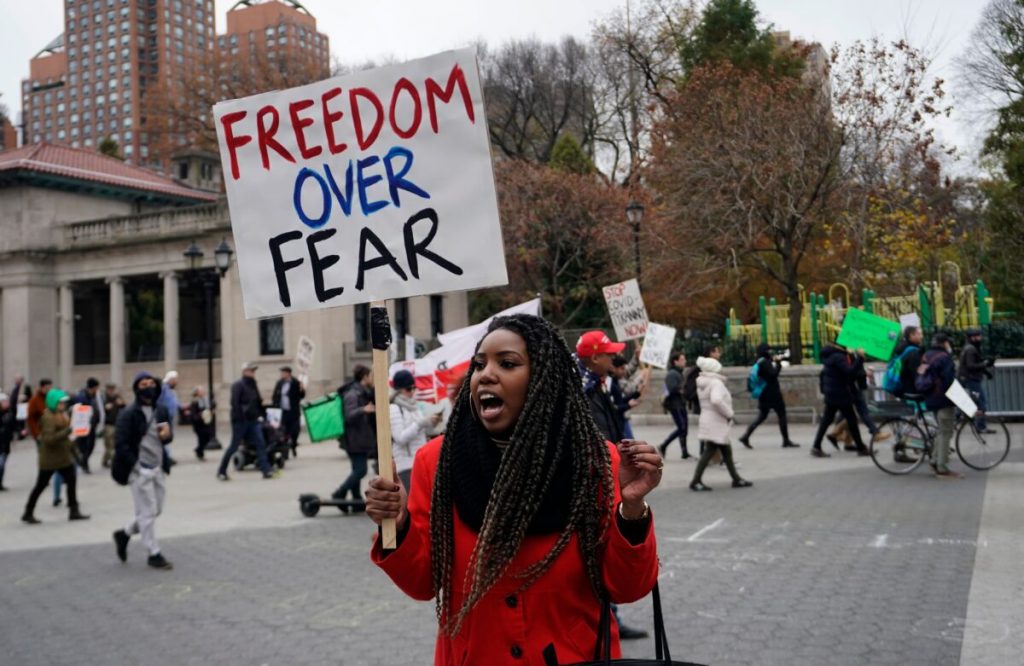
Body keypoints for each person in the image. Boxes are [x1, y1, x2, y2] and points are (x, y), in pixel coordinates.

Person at [365, 314, 661, 664]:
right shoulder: (436, 461)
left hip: (574, 656)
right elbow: (421, 584)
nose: (486, 374)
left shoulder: (597, 460)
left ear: (544, 379)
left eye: (507, 363)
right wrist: (398, 526)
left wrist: (632, 510)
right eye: (479, 364)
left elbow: (627, 588)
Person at [111, 372, 175, 570]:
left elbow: (165, 438)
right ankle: (153, 553)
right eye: (143, 384)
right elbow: (120, 444)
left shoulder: (161, 410)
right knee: (146, 512)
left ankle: (124, 533)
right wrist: (137, 467)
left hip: (158, 467)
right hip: (139, 470)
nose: (149, 388)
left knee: (156, 510)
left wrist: (167, 436)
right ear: (137, 389)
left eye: (151, 383)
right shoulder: (129, 414)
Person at [21, 388, 90, 524]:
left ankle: (74, 510)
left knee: (71, 481)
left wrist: (75, 451)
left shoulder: (61, 414)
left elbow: (68, 435)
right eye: (60, 402)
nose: (63, 405)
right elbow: (49, 439)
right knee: (41, 485)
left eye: (63, 402)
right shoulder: (48, 417)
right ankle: (28, 512)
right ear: (53, 402)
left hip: (63, 457)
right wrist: (68, 430)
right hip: (50, 459)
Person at [690, 357, 752, 491]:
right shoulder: (716, 383)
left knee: (725, 449)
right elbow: (716, 400)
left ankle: (736, 478)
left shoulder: (703, 382)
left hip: (708, 418)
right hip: (716, 421)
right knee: (710, 450)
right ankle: (696, 481)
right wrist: (729, 413)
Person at [810, 344, 869, 458]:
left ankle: (816, 446)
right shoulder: (838, 357)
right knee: (851, 419)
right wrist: (860, 358)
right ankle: (861, 447)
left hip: (832, 392)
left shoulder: (831, 356)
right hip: (840, 393)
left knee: (827, 420)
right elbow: (849, 372)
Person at [217, 362, 274, 481]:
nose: (253, 373)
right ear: (244, 372)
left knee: (260, 443)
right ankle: (222, 471)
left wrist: (262, 415)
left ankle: (266, 469)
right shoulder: (238, 385)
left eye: (253, 371)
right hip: (241, 421)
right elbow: (235, 403)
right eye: (251, 371)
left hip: (253, 420)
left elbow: (257, 402)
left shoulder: (253, 384)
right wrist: (240, 418)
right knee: (234, 446)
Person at [738, 344, 799, 449]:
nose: (770, 352)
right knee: (782, 415)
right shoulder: (765, 363)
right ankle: (786, 440)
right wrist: (778, 364)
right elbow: (773, 374)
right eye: (769, 350)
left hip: (763, 393)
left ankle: (746, 436)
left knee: (762, 416)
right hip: (773, 394)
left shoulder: (759, 361)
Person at [390, 369, 441, 491]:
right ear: (398, 390)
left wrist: (432, 423)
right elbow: (400, 438)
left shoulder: (414, 406)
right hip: (405, 466)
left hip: (420, 462)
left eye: (414, 388)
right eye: (409, 389)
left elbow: (423, 432)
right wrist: (421, 423)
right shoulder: (394, 408)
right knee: (410, 501)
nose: (412, 391)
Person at [921, 333, 963, 479]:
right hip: (943, 399)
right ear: (944, 343)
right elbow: (949, 381)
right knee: (946, 432)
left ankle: (934, 460)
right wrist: (960, 397)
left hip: (930, 398)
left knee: (941, 431)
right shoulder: (945, 358)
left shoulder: (927, 355)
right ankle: (942, 468)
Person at [332, 365, 376, 505]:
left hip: (359, 438)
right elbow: (349, 415)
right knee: (361, 470)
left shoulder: (362, 391)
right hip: (354, 439)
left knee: (356, 469)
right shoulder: (352, 393)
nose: (372, 378)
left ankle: (356, 499)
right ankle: (339, 492)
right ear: (364, 377)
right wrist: (363, 410)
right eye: (371, 376)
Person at [576, 330, 626, 443]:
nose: (613, 358)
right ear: (595, 359)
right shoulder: (584, 392)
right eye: (609, 354)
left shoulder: (595, 382)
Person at [26, 379, 63, 507]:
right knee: (46, 465)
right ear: (41, 387)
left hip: (55, 438)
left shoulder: (53, 400)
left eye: (50, 387)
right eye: (47, 387)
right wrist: (37, 434)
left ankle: (61, 498)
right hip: (43, 437)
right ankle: (29, 509)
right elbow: (31, 419)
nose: (49, 389)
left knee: (63, 470)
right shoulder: (35, 401)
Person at [959, 328, 995, 433]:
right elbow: (970, 365)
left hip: (969, 379)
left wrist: (986, 372)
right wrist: (985, 363)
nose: (980, 338)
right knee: (981, 403)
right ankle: (981, 427)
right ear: (972, 338)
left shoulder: (969, 347)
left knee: (974, 402)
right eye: (978, 336)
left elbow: (975, 363)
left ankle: (957, 416)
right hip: (971, 380)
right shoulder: (971, 349)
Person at [658, 352, 691, 459]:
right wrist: (680, 389)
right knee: (681, 427)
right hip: (674, 405)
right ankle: (663, 445)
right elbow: (670, 389)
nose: (685, 361)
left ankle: (684, 452)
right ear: (675, 362)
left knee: (684, 428)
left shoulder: (678, 372)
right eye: (682, 359)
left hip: (680, 404)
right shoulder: (672, 374)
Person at [272, 365, 306, 456]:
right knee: (284, 432)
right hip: (283, 411)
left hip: (293, 411)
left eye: (283, 373)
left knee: (295, 431)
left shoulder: (296, 382)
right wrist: (275, 406)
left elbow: (301, 396)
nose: (281, 374)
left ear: (288, 373)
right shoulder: (279, 383)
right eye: (281, 372)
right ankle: (285, 451)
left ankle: (293, 445)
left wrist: (302, 389)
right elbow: (275, 396)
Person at [73, 377, 104, 474]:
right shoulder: (81, 396)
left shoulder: (94, 396)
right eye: (97, 388)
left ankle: (83, 462)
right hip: (83, 427)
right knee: (84, 446)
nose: (97, 390)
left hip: (92, 426)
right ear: (93, 387)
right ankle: (83, 463)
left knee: (91, 446)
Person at [610, 355, 642, 440]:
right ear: (614, 368)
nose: (624, 372)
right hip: (615, 422)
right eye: (622, 369)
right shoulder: (610, 384)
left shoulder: (615, 382)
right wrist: (628, 405)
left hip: (620, 420)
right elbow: (614, 407)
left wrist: (636, 394)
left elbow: (620, 400)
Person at [101, 383, 125, 469]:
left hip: (117, 423)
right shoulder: (103, 398)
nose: (111, 391)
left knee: (114, 444)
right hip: (108, 424)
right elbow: (99, 410)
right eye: (109, 389)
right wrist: (105, 407)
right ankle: (107, 460)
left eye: (112, 389)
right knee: (109, 445)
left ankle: (108, 460)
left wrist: (121, 404)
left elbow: (124, 406)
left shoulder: (117, 397)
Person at [189, 386, 215, 461]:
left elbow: (212, 406)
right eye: (201, 391)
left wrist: (211, 412)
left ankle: (198, 449)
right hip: (199, 424)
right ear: (197, 393)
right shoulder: (195, 401)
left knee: (208, 437)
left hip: (206, 423)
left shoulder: (206, 400)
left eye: (203, 390)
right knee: (201, 439)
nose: (203, 392)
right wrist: (200, 415)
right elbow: (193, 414)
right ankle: (200, 454)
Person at [0, 393, 15, 491]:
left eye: (7, 401)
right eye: (4, 401)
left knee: (2, 465)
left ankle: (0, 483)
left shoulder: (9, 413)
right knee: (0, 464)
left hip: (5, 444)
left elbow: (12, 426)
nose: (7, 403)